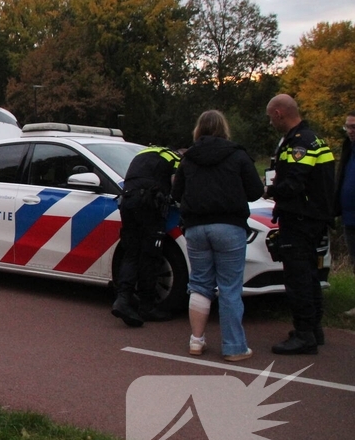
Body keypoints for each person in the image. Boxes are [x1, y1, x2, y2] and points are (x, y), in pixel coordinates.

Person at [171, 110, 264, 361]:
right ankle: (234, 347)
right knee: (229, 288)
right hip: (230, 226)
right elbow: (255, 191)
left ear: (198, 129)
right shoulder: (238, 155)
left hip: (196, 228)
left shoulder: (188, 158)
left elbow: (177, 193)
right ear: (224, 128)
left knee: (200, 284)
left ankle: (196, 341)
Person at [265, 94, 335, 354]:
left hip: (299, 218)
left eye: (271, 116)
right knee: (310, 275)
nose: (271, 122)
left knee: (297, 278)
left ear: (280, 113)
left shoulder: (299, 144)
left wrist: (271, 192)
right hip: (314, 218)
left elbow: (294, 182)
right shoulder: (314, 138)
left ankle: (304, 334)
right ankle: (313, 329)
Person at [112, 145, 181, 327]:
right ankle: (147, 306)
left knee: (131, 252)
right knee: (150, 254)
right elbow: (177, 184)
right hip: (150, 204)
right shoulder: (175, 158)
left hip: (127, 201)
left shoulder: (142, 154)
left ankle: (123, 300)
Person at [334, 110, 355, 316]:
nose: (350, 131)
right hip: (349, 215)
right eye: (347, 127)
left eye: (354, 127)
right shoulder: (348, 147)